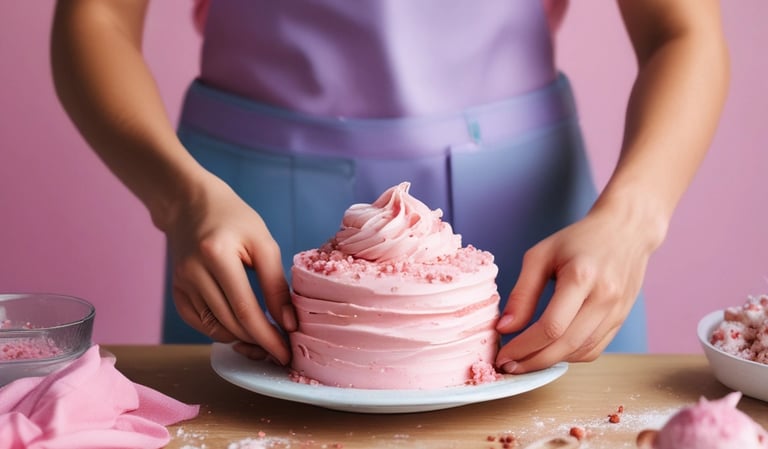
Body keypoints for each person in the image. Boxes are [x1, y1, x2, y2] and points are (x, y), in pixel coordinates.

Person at [50, 0, 729, 374]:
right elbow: (96, 16)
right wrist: (179, 197)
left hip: (532, 217)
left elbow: (683, 28)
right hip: (242, 214)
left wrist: (634, 217)